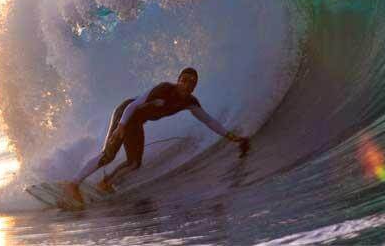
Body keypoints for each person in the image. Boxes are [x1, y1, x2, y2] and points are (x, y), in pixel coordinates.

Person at [63, 67, 250, 205]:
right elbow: (133, 106)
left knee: (135, 164)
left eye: (191, 83)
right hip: (125, 114)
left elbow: (209, 121)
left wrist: (232, 137)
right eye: (184, 80)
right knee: (108, 155)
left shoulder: (190, 103)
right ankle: (73, 184)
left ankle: (106, 183)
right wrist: (120, 127)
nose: (187, 84)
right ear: (178, 80)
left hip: (136, 124)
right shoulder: (163, 90)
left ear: (194, 87)